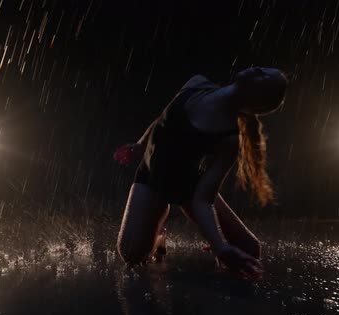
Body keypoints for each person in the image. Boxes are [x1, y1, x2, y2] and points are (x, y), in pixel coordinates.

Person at [114, 67, 288, 275]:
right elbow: (161, 119)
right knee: (131, 255)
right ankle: (157, 228)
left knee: (251, 249)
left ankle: (172, 224)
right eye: (265, 68)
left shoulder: (229, 139)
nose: (258, 69)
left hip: (190, 188)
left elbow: (203, 201)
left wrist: (220, 246)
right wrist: (139, 146)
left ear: (257, 102)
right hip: (153, 179)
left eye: (265, 77)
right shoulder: (197, 83)